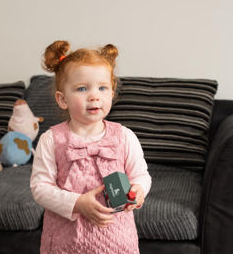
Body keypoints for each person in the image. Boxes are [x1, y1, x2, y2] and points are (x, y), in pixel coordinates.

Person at [30, 40, 152, 253]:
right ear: (62, 99)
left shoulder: (124, 136)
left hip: (117, 240)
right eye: (82, 88)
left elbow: (141, 175)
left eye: (102, 87)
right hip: (66, 241)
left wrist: (138, 190)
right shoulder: (51, 139)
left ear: (111, 93)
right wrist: (77, 203)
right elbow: (40, 188)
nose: (94, 95)